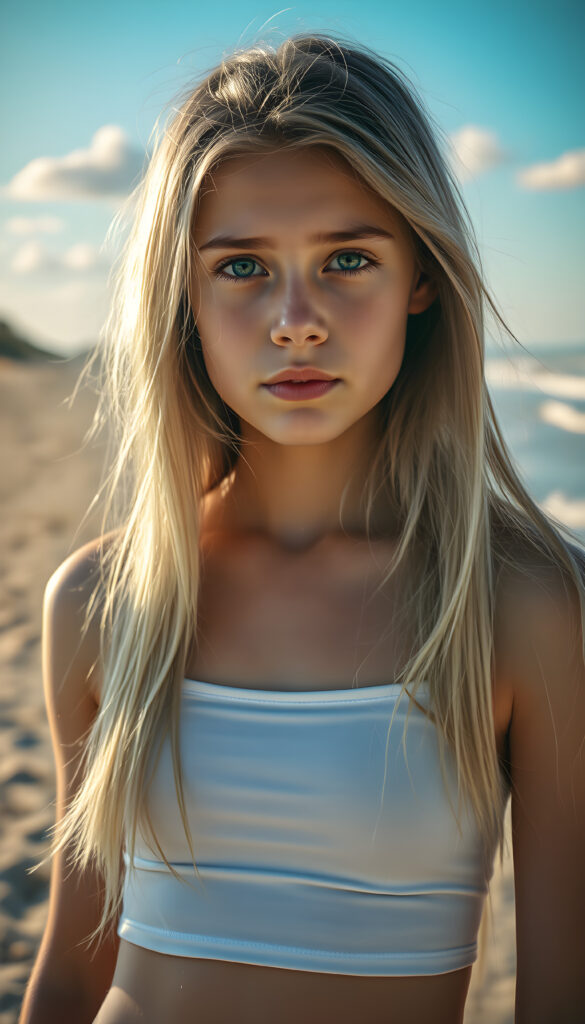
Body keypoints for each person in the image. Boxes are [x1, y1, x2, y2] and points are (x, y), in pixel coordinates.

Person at [19, 33, 585, 1024]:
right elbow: (70, 974)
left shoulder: (524, 601)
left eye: (349, 258)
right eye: (240, 266)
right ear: (182, 297)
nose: (296, 319)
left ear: (422, 280)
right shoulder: (104, 600)